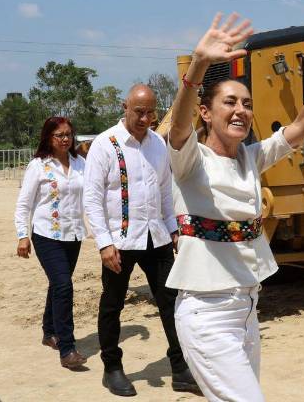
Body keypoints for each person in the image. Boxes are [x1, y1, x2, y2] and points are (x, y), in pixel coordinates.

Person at [167, 13, 304, 402]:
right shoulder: (190, 160)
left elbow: (299, 128)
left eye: (246, 104)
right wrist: (198, 67)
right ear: (206, 112)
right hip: (207, 312)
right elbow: (177, 128)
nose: (241, 110)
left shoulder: (250, 158)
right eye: (229, 102)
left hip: (247, 309)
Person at [82, 84, 199, 397]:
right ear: (125, 106)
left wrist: (173, 229)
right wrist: (104, 243)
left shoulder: (158, 145)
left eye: (150, 113)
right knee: (112, 304)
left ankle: (180, 368)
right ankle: (112, 368)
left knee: (171, 302)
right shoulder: (106, 144)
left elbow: (164, 190)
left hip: (157, 237)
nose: (145, 118)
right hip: (120, 241)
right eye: (139, 112)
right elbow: (91, 198)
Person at [14, 116, 88, 370]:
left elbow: (93, 195)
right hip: (46, 235)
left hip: (74, 235)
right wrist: (23, 235)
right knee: (64, 286)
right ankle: (67, 349)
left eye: (68, 134)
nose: (65, 139)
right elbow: (24, 203)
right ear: (49, 138)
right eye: (60, 135)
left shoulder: (81, 164)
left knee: (58, 285)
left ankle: (49, 331)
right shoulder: (38, 166)